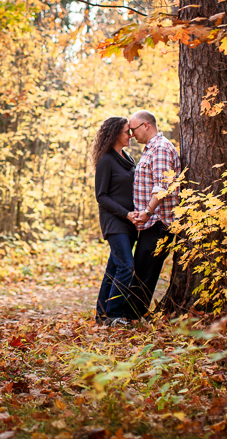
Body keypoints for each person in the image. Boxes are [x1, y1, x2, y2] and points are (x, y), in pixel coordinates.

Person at [127, 110, 181, 319]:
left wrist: (148, 212)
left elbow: (162, 185)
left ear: (146, 125)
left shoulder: (160, 148)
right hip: (151, 222)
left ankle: (132, 317)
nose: (131, 135)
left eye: (133, 129)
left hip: (158, 222)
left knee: (145, 273)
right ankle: (130, 315)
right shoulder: (151, 148)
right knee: (141, 270)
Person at [91, 116, 139, 325]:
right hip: (115, 221)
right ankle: (113, 315)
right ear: (114, 134)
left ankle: (102, 314)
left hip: (130, 222)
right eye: (126, 132)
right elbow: (101, 196)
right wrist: (125, 213)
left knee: (114, 268)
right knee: (126, 267)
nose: (130, 135)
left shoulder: (127, 158)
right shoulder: (106, 160)